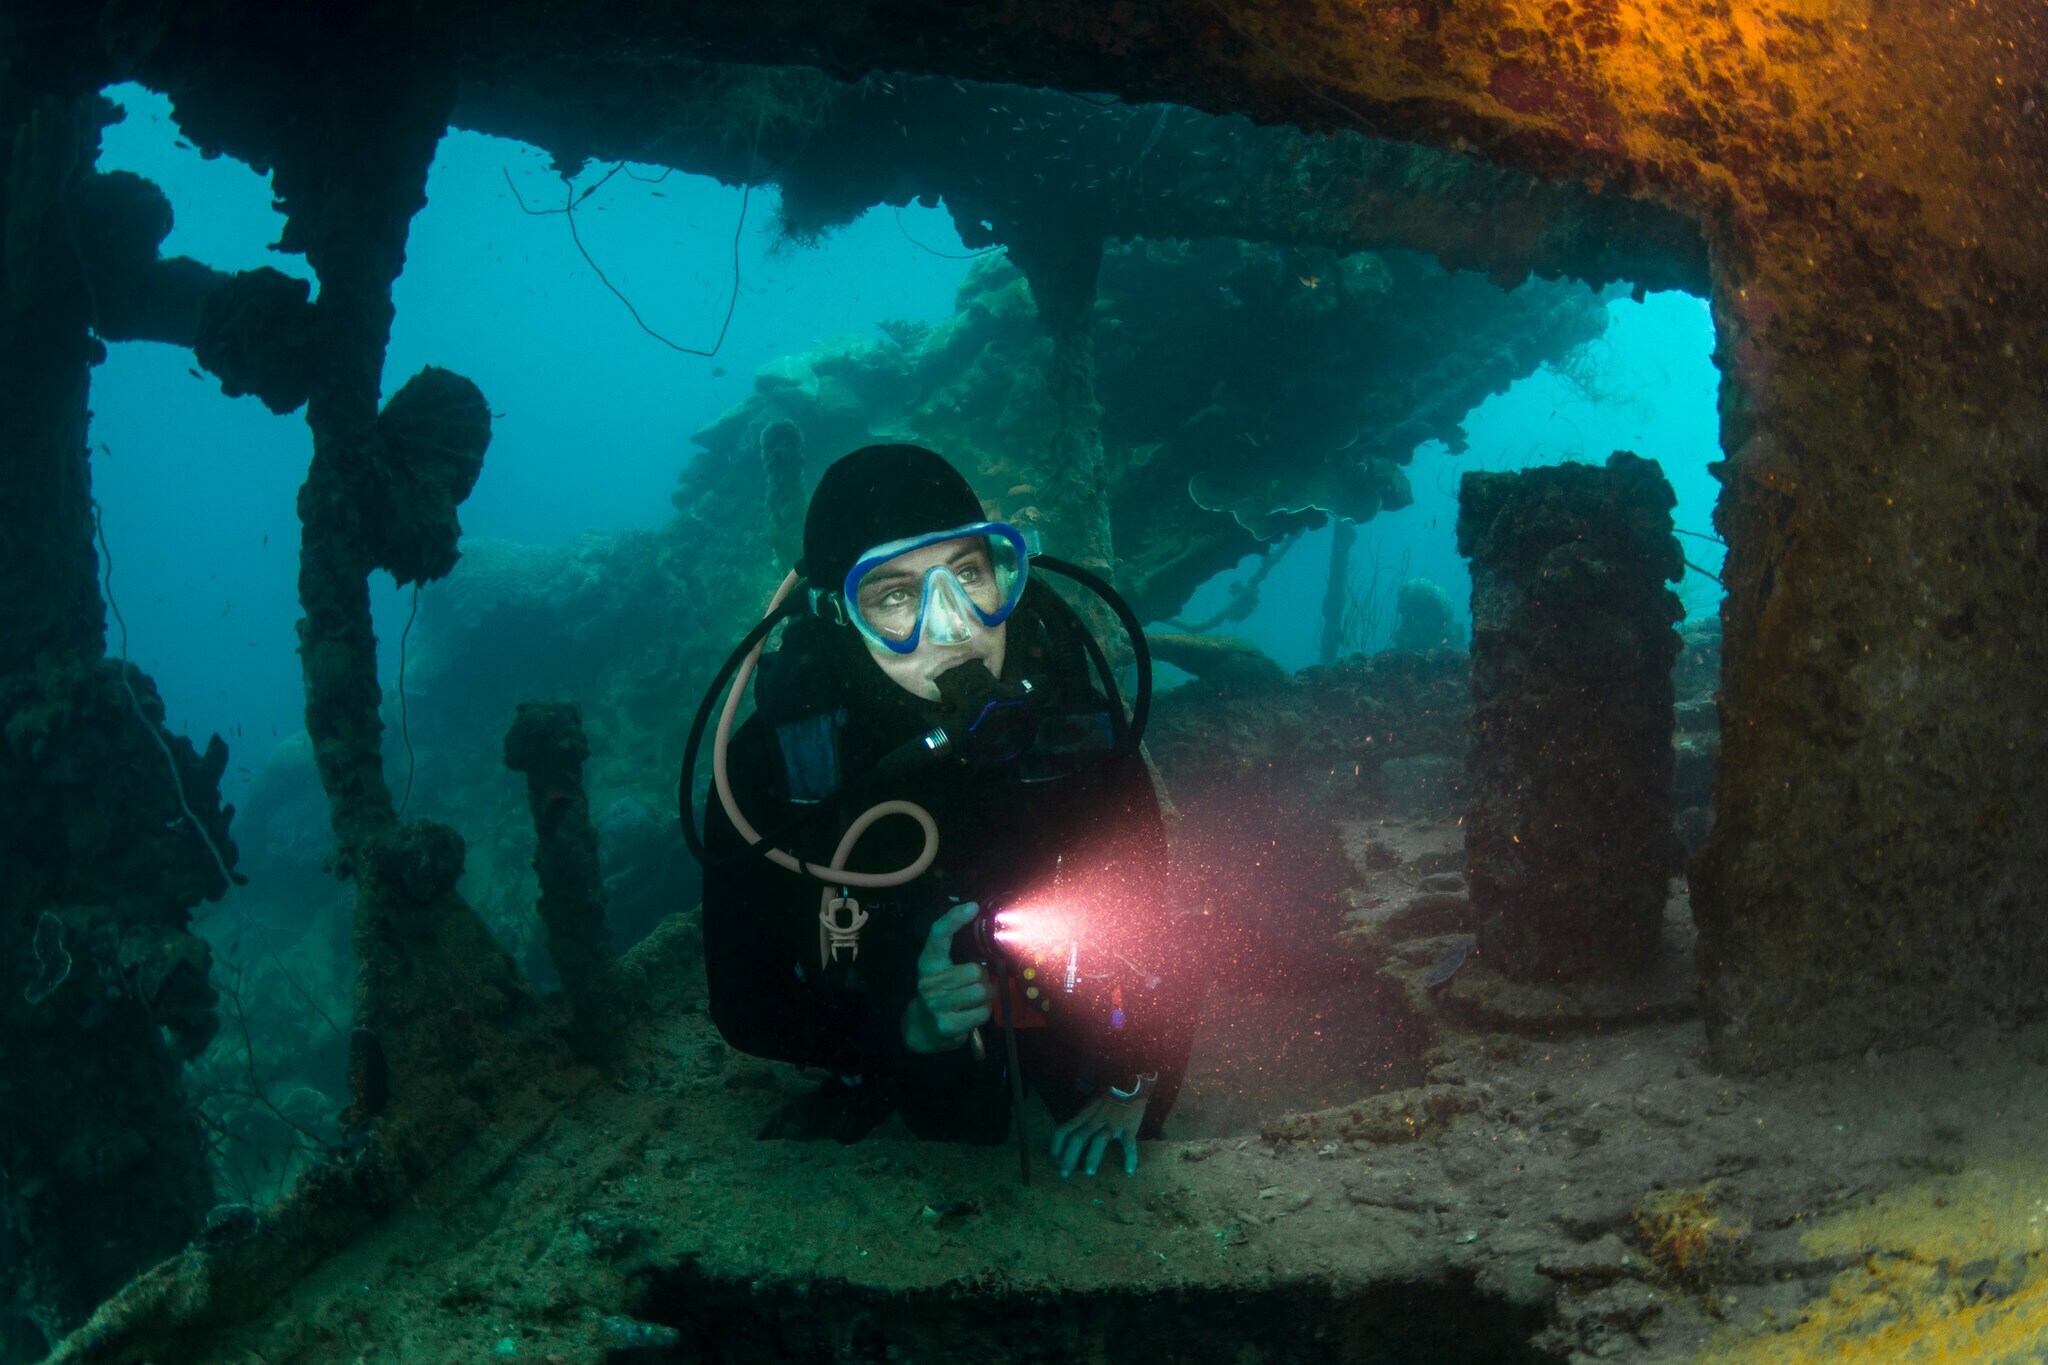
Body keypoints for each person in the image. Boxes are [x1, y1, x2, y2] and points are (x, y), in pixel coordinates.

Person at [698, 443, 1195, 1177]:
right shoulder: (774, 765)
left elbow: (1163, 928)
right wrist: (902, 1026)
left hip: (1063, 999)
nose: (954, 626)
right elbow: (746, 1006)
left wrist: (1138, 1079)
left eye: (967, 574)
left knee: (1132, 1121)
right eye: (895, 596)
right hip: (904, 1008)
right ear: (839, 616)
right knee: (949, 1116)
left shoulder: (1073, 721)